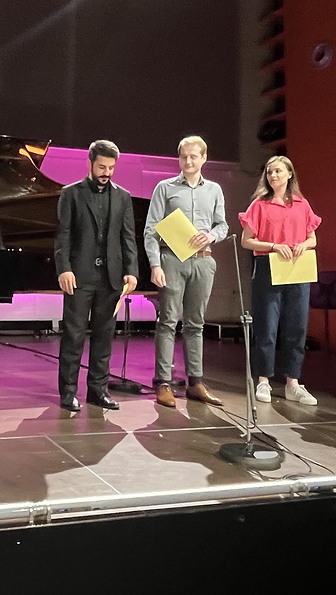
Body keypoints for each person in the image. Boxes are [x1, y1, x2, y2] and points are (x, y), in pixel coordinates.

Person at [143, 135, 228, 408]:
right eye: (184, 156)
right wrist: (155, 264)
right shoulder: (165, 188)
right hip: (172, 259)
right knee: (167, 321)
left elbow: (223, 225)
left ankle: (195, 382)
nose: (188, 161)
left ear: (204, 158)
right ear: (179, 159)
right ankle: (163, 383)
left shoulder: (214, 190)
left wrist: (211, 235)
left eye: (193, 156)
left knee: (196, 324)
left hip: (203, 261)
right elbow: (150, 229)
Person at [55, 140, 138, 411]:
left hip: (111, 278)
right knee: (74, 335)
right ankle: (68, 392)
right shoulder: (71, 194)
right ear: (89, 163)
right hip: (80, 275)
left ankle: (98, 390)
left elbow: (128, 237)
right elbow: (63, 235)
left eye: (111, 167)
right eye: (102, 167)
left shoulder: (123, 196)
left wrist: (131, 271)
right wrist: (64, 268)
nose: (107, 172)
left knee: (104, 336)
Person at [239, 156, 321, 406]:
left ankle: (293, 382)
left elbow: (313, 239)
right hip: (268, 265)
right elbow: (246, 240)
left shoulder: (302, 204)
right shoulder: (259, 205)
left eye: (278, 171)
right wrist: (274, 246)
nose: (273, 175)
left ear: (289, 174)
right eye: (269, 172)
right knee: (267, 325)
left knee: (297, 326)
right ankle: (263, 379)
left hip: (297, 267)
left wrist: (304, 245)